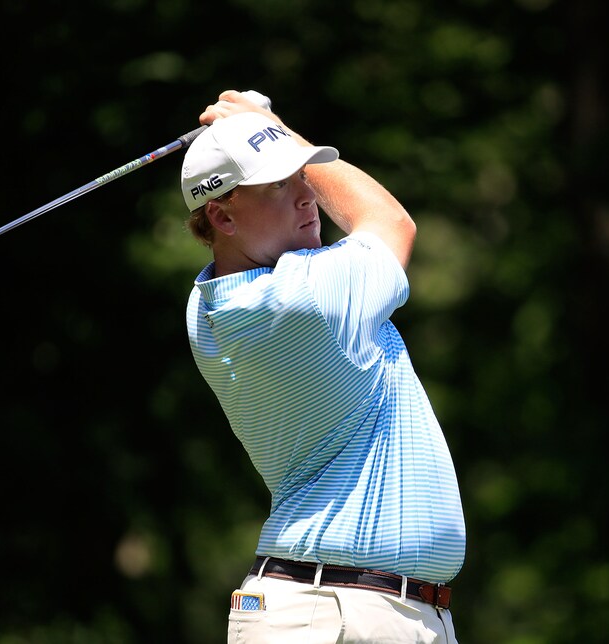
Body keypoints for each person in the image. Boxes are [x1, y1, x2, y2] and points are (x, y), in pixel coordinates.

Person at [180, 90, 466, 643]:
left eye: (303, 178)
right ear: (222, 215)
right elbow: (390, 222)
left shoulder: (205, 305)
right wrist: (274, 126)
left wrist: (265, 142)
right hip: (340, 611)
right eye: (279, 186)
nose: (307, 195)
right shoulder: (307, 298)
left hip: (336, 608)